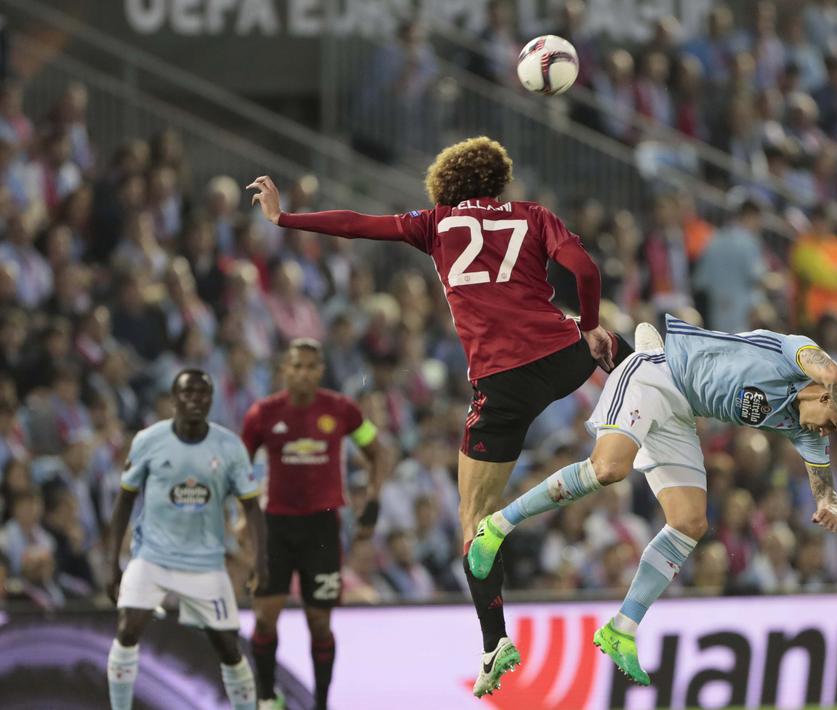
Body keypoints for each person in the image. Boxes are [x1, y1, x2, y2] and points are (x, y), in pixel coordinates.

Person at [247, 136, 633, 696]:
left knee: (474, 519)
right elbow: (586, 269)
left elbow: (358, 224)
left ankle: (494, 641)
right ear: (500, 179)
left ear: (447, 182)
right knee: (626, 350)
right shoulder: (535, 216)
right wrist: (591, 324)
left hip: (503, 386)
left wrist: (285, 218)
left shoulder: (436, 222)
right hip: (563, 358)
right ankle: (679, 397)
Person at [465, 319, 837, 684]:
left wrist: (831, 503)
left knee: (691, 522)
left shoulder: (802, 427)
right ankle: (497, 526)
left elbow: (823, 483)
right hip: (656, 373)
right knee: (609, 469)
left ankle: (622, 628)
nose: (826, 435)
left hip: (681, 412)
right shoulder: (795, 354)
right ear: (823, 395)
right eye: (834, 424)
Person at [240, 339, 391, 710]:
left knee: (320, 623)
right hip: (276, 526)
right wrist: (245, 518)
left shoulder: (341, 410)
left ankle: (321, 703)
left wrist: (371, 502)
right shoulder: (262, 414)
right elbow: (238, 467)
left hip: (322, 529)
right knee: (264, 618)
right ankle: (265, 697)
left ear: (320, 370)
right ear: (284, 370)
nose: (303, 373)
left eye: (310, 366)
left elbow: (378, 452)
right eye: (296, 366)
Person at [105, 369, 265, 710]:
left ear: (211, 400)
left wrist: (259, 563)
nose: (194, 399)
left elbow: (251, 508)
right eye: (187, 393)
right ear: (174, 399)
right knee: (128, 627)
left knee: (228, 648)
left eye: (202, 394)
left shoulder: (229, 447)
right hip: (152, 556)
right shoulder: (149, 441)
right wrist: (111, 564)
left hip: (205, 563)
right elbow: (124, 501)